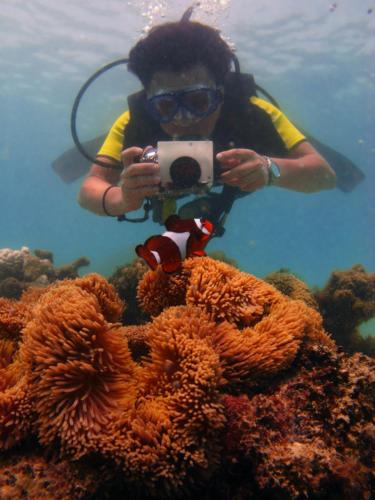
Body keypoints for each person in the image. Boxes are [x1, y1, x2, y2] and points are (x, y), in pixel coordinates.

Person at [78, 20, 336, 224]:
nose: (184, 119)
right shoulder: (133, 123)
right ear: (148, 101)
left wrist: (270, 169)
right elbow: (88, 189)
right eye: (166, 106)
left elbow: (324, 175)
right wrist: (122, 199)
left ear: (221, 93)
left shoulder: (254, 113)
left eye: (199, 101)